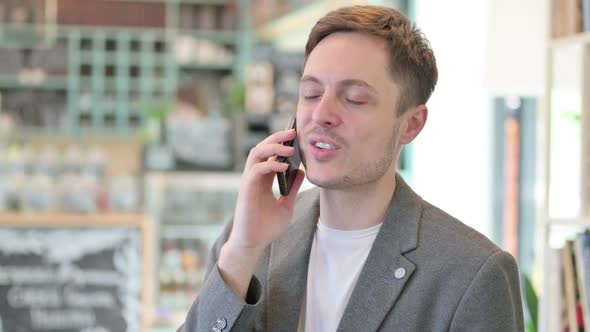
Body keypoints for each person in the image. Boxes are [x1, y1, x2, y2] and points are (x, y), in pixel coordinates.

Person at [179, 5, 524, 332]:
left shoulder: (473, 274)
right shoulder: (245, 239)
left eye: (355, 98)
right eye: (311, 94)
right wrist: (242, 252)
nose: (321, 114)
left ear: (411, 124)